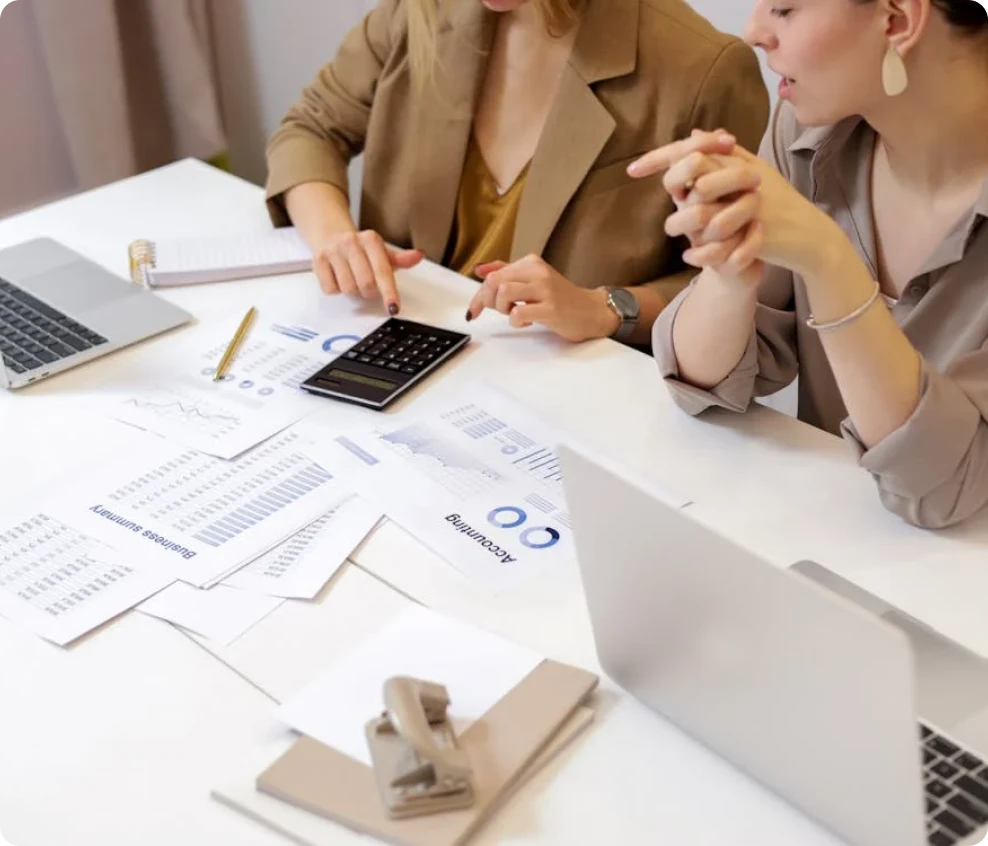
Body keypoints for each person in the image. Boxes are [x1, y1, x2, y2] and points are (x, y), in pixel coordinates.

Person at [629, 0, 988, 527]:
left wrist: (828, 260)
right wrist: (730, 268)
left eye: (784, 9)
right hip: (833, 542)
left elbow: (945, 488)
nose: (752, 32)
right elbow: (698, 384)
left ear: (897, 20)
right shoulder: (807, 133)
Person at [265, 0, 769, 347]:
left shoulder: (703, 68)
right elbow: (310, 131)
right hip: (398, 357)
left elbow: (744, 281)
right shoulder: (417, 12)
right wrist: (336, 238)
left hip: (574, 408)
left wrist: (606, 308)